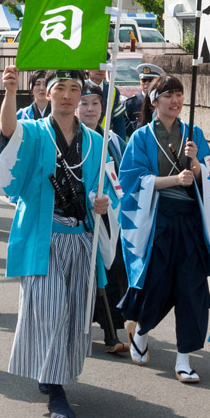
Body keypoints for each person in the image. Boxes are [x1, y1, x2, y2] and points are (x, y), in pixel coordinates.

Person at [0, 67, 119, 418]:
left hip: (78, 237)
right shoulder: (32, 132)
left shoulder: (94, 141)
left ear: (81, 97)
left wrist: (100, 203)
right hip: (41, 237)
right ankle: (57, 391)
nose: (66, 95)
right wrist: (10, 93)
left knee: (75, 312)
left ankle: (52, 373)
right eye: (59, 88)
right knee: (50, 309)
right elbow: (8, 135)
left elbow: (101, 188)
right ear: (47, 94)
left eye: (74, 89)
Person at [118, 74, 210, 384]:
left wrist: (198, 167)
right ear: (154, 101)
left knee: (192, 290)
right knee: (156, 285)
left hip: (189, 219)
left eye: (179, 94)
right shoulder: (141, 137)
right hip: (158, 220)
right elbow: (131, 181)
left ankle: (184, 358)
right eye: (167, 95)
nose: (175, 101)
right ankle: (143, 330)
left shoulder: (194, 133)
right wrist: (173, 181)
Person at [77, 85, 129, 355]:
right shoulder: (72, 137)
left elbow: (120, 178)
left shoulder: (112, 140)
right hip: (77, 217)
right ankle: (80, 329)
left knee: (111, 272)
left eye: (95, 103)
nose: (90, 109)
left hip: (108, 215)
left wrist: (111, 200)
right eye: (83, 103)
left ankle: (111, 330)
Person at [122, 63, 164, 136]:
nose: (146, 84)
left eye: (150, 80)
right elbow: (124, 128)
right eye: (144, 80)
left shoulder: (163, 102)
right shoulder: (129, 104)